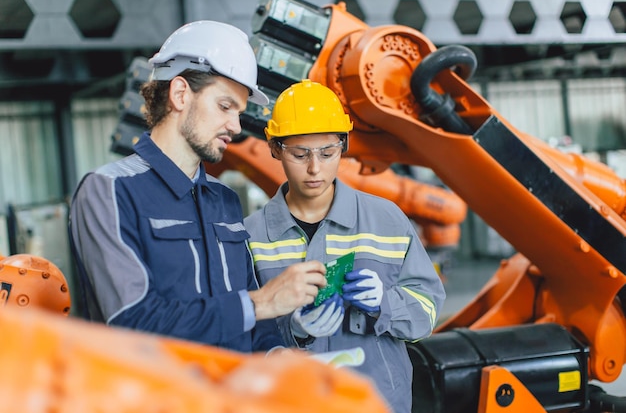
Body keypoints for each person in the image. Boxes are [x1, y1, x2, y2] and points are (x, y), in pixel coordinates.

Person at [68, 21, 329, 353]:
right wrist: (260, 303)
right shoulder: (110, 192)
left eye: (239, 112)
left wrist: (275, 352)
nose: (235, 127)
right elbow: (133, 322)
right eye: (224, 107)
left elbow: (252, 316)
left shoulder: (225, 201)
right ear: (180, 94)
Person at [244, 79, 446, 412]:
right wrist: (289, 327)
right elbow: (238, 329)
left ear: (345, 144)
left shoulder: (387, 220)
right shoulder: (251, 236)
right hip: (289, 403)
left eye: (327, 153)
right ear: (275, 148)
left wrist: (385, 304)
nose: (315, 168)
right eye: (300, 154)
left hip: (377, 402)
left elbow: (427, 311)